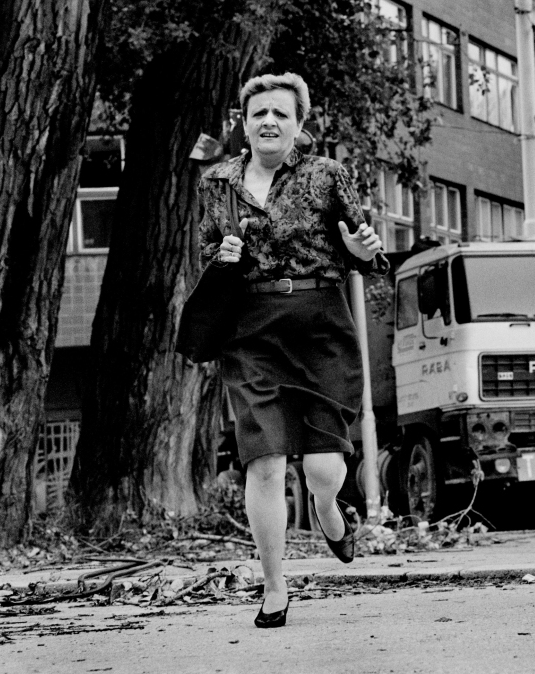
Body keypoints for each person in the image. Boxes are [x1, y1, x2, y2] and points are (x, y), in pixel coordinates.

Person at [197, 72, 388, 628]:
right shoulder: (220, 181)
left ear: (299, 123)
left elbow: (365, 248)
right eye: (259, 114)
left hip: (320, 326)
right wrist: (223, 253)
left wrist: (358, 247)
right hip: (251, 332)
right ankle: (274, 586)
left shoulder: (326, 175)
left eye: (281, 113)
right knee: (264, 462)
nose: (269, 122)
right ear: (245, 124)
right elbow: (207, 249)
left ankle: (331, 512)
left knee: (324, 469)